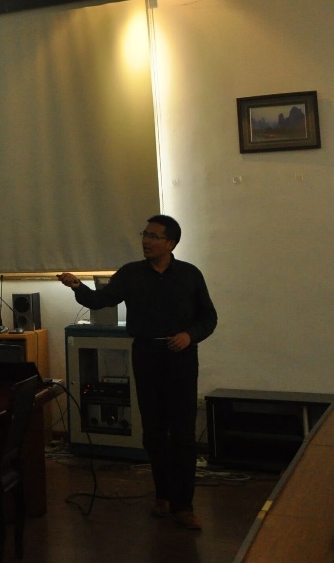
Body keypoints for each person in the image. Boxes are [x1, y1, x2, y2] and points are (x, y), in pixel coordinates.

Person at [57, 214, 217, 531]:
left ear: (171, 243)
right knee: (154, 430)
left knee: (183, 433)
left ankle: (183, 505)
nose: (146, 240)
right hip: (146, 355)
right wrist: (77, 285)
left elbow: (208, 317)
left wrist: (190, 335)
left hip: (181, 358)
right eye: (145, 234)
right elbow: (100, 300)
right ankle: (163, 496)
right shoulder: (131, 273)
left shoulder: (189, 274)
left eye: (154, 236)